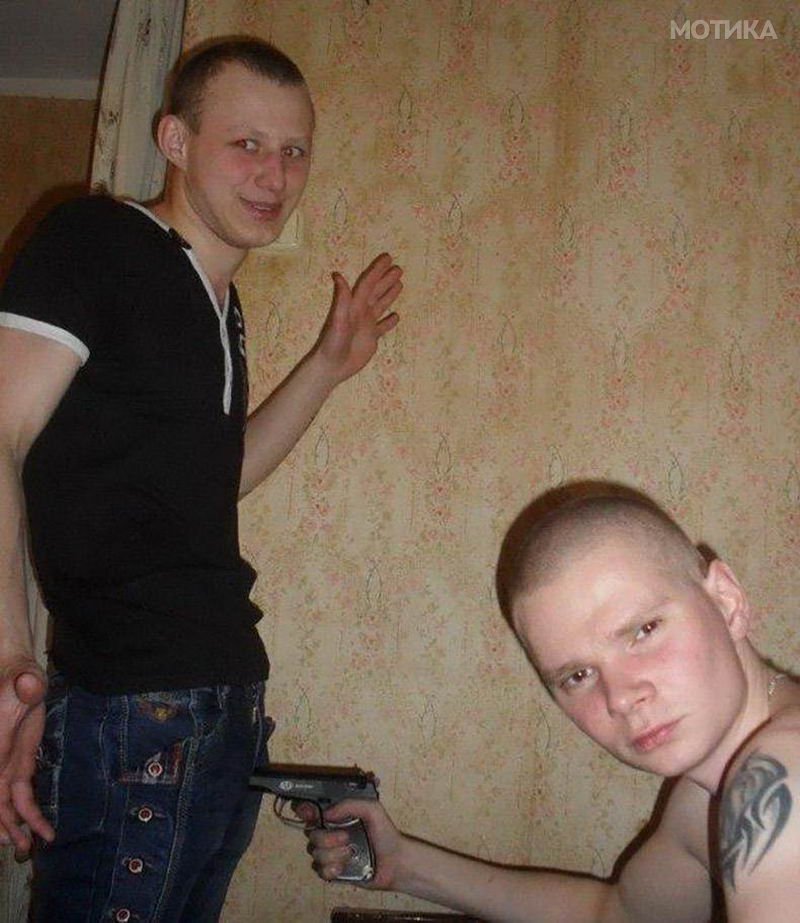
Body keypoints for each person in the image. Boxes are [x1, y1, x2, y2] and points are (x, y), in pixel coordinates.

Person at [0, 37, 402, 921]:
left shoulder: (221, 303)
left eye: (294, 150)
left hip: (222, 699)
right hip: (133, 701)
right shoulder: (97, 239)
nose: (275, 174)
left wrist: (327, 367)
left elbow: (213, 485)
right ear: (175, 140)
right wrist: (9, 660)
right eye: (246, 143)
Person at [307, 492, 800, 922]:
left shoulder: (782, 776)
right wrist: (402, 864)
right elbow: (617, 914)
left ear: (727, 601)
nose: (620, 698)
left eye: (643, 631)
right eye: (577, 676)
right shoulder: (703, 797)